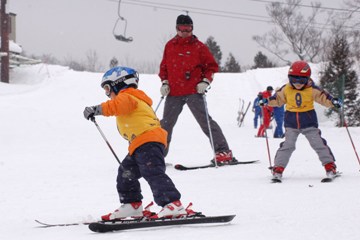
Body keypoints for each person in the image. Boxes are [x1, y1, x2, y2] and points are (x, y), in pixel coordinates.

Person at [83, 66, 188, 220]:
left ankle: (173, 204)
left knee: (152, 172)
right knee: (126, 173)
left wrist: (97, 109)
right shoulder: (134, 98)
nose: (107, 93)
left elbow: (117, 106)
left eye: (107, 88)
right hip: (140, 144)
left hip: (148, 142)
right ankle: (132, 205)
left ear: (118, 84)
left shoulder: (127, 96)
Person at [158, 14, 234, 165]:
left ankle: (223, 152)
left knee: (205, 121)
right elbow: (164, 67)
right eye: (182, 28)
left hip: (194, 91)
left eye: (188, 28)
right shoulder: (170, 46)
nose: (185, 31)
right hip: (174, 93)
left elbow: (212, 67)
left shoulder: (199, 47)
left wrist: (205, 81)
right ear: (176, 28)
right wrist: (165, 82)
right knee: (165, 125)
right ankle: (158, 155)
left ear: (192, 29)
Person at [260, 60, 342, 180]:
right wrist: (266, 101)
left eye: (301, 80)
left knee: (318, 143)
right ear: (289, 78)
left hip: (308, 122)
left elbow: (323, 97)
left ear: (307, 78)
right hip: (291, 123)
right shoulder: (286, 89)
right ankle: (278, 168)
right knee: (288, 145)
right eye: (294, 79)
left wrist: (333, 101)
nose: (298, 83)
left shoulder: (312, 89)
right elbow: (277, 99)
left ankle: (330, 166)